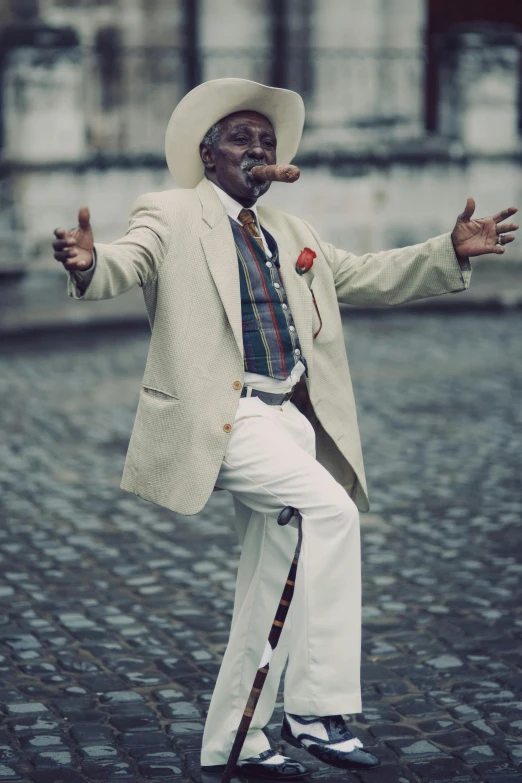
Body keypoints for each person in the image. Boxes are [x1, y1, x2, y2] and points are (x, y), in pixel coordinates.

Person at [52, 78, 518, 778]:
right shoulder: (172, 211)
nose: (259, 150)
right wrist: (92, 264)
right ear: (209, 155)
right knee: (327, 512)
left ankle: (235, 738)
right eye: (242, 139)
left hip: (291, 420)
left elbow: (363, 273)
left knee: (271, 580)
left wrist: (447, 250)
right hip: (228, 417)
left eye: (267, 142)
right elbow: (131, 256)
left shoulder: (291, 234)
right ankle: (316, 709)